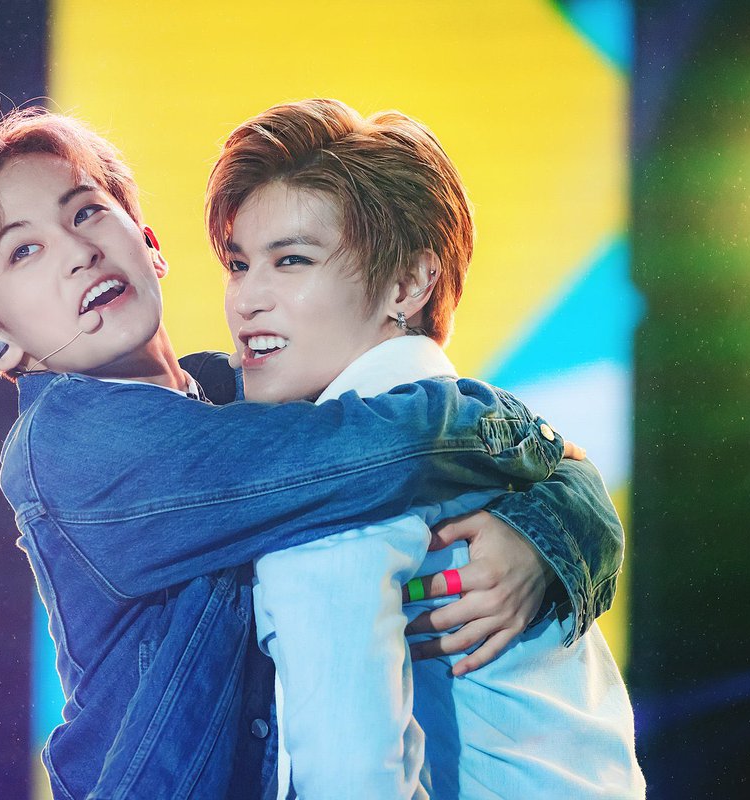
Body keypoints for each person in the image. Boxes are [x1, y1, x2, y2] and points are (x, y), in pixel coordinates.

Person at [0, 107, 623, 799]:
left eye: (86, 212)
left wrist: (551, 528)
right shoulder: (71, 445)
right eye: (24, 250)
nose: (79, 252)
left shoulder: (246, 397)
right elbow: (367, 455)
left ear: (149, 243)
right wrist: (530, 449)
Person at [205, 98, 646, 799]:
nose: (245, 299)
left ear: (409, 284)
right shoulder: (492, 452)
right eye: (237, 264)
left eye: (290, 260)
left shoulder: (337, 473)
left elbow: (351, 782)